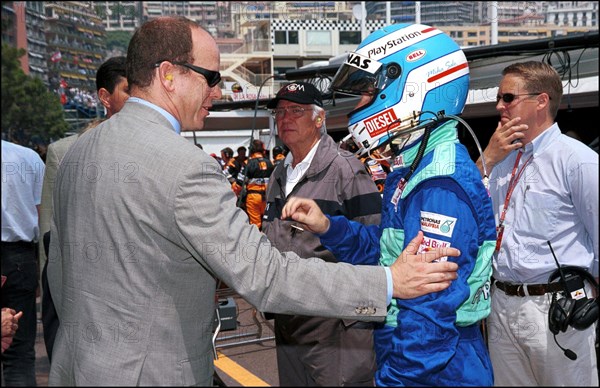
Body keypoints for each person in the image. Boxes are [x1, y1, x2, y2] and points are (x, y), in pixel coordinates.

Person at [46, 17, 460, 386]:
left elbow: (63, 273)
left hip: (81, 366)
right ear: (168, 75)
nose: (218, 89)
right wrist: (389, 282)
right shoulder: (184, 166)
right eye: (210, 77)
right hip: (152, 371)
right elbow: (265, 276)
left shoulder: (77, 153)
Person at [282, 23, 497, 386]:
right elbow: (389, 256)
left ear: (413, 87)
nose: (360, 106)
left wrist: (395, 381)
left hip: (438, 368)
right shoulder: (412, 166)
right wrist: (329, 227)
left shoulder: (439, 181)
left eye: (368, 94)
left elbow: (430, 312)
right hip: (412, 352)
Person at [475, 61, 598, 386]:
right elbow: (463, 206)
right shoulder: (498, 157)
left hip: (557, 306)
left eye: (508, 97)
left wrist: (586, 299)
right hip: (500, 304)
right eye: (499, 97)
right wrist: (486, 159)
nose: (499, 105)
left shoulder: (577, 160)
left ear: (541, 101)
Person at [262, 81, 382, 386]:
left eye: (296, 110)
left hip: (333, 323)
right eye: (280, 112)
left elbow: (375, 243)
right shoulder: (279, 174)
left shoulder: (345, 168)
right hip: (288, 316)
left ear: (319, 119)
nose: (285, 118)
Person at [38, 55, 129, 363]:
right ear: (105, 97)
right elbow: (48, 232)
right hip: (80, 296)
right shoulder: (63, 153)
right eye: (129, 90)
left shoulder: (166, 150)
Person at [1, 139, 45, 386]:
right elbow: (41, 215)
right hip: (19, 258)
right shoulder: (28, 158)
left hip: (19, 256)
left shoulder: (29, 158)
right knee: (19, 355)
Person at [233, 139, 273, 229]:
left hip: (253, 197)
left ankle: (258, 242)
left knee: (256, 225)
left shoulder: (248, 163)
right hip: (268, 197)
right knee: (268, 223)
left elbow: (239, 184)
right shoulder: (270, 163)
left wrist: (235, 196)